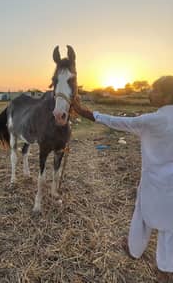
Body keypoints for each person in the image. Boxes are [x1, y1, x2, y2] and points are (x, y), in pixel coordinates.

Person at [73, 76, 173, 274]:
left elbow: (117, 121)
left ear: (167, 96)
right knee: (170, 230)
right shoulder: (155, 119)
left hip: (153, 185)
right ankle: (165, 269)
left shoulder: (151, 121)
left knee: (141, 216)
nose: (149, 93)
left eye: (154, 90)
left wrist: (84, 112)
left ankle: (134, 251)